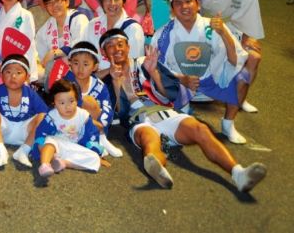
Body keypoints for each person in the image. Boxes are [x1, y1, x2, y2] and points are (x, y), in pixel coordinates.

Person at [103, 29, 267, 192]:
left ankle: (239, 174)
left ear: (128, 47)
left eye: (120, 44)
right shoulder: (106, 78)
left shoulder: (143, 62)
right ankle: (159, 170)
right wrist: (116, 83)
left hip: (165, 114)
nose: (117, 49)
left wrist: (154, 73)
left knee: (201, 129)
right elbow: (119, 113)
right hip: (140, 121)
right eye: (110, 46)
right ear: (104, 52)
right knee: (149, 139)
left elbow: (170, 93)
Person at [152, 0, 250, 144]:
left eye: (188, 1)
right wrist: (181, 79)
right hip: (181, 81)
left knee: (242, 76)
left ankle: (228, 124)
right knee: (178, 123)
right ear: (172, 8)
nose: (184, 6)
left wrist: (224, 33)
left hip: (210, 77)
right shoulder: (163, 34)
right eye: (178, 2)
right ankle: (181, 114)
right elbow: (158, 70)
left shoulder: (214, 26)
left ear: (198, 4)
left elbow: (235, 60)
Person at [193, 0, 263, 120]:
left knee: (253, 57)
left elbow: (250, 11)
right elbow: (191, 4)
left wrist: (248, 35)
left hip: (234, 25)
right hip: (205, 24)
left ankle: (240, 95)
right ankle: (196, 93)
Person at [32, 79, 106, 177]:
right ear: (54, 103)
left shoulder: (83, 116)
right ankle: (45, 165)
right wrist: (41, 148)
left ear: (77, 99)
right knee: (49, 141)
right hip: (58, 145)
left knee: (95, 158)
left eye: (71, 101)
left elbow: (92, 134)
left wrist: (93, 150)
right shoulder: (52, 116)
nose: (67, 106)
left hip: (76, 147)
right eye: (62, 103)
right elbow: (41, 133)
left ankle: (63, 163)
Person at [0, 55, 47, 167]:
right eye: (8, 72)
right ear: (2, 75)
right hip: (3, 131)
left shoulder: (30, 93)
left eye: (18, 73)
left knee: (42, 116)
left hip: (24, 132)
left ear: (27, 76)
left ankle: (24, 150)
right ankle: (0, 150)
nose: (13, 76)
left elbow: (45, 114)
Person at [64, 42, 122, 157]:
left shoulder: (99, 85)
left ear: (95, 67)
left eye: (86, 64)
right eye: (76, 63)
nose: (80, 68)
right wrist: (90, 121)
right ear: (70, 63)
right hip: (70, 123)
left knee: (92, 103)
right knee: (86, 102)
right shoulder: (65, 83)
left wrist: (101, 124)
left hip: (95, 125)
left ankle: (101, 138)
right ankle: (92, 140)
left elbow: (107, 107)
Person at [82, 0, 145, 75]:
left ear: (124, 3)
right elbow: (85, 52)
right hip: (96, 75)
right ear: (102, 2)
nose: (112, 3)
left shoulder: (133, 28)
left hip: (122, 77)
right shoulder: (93, 24)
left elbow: (133, 64)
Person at [35, 0, 89, 80]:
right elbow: (41, 56)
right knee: (32, 73)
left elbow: (80, 45)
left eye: (57, 1)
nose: (54, 6)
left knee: (65, 59)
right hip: (55, 68)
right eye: (49, 3)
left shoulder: (79, 19)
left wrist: (54, 53)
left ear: (67, 2)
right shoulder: (47, 26)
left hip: (77, 67)